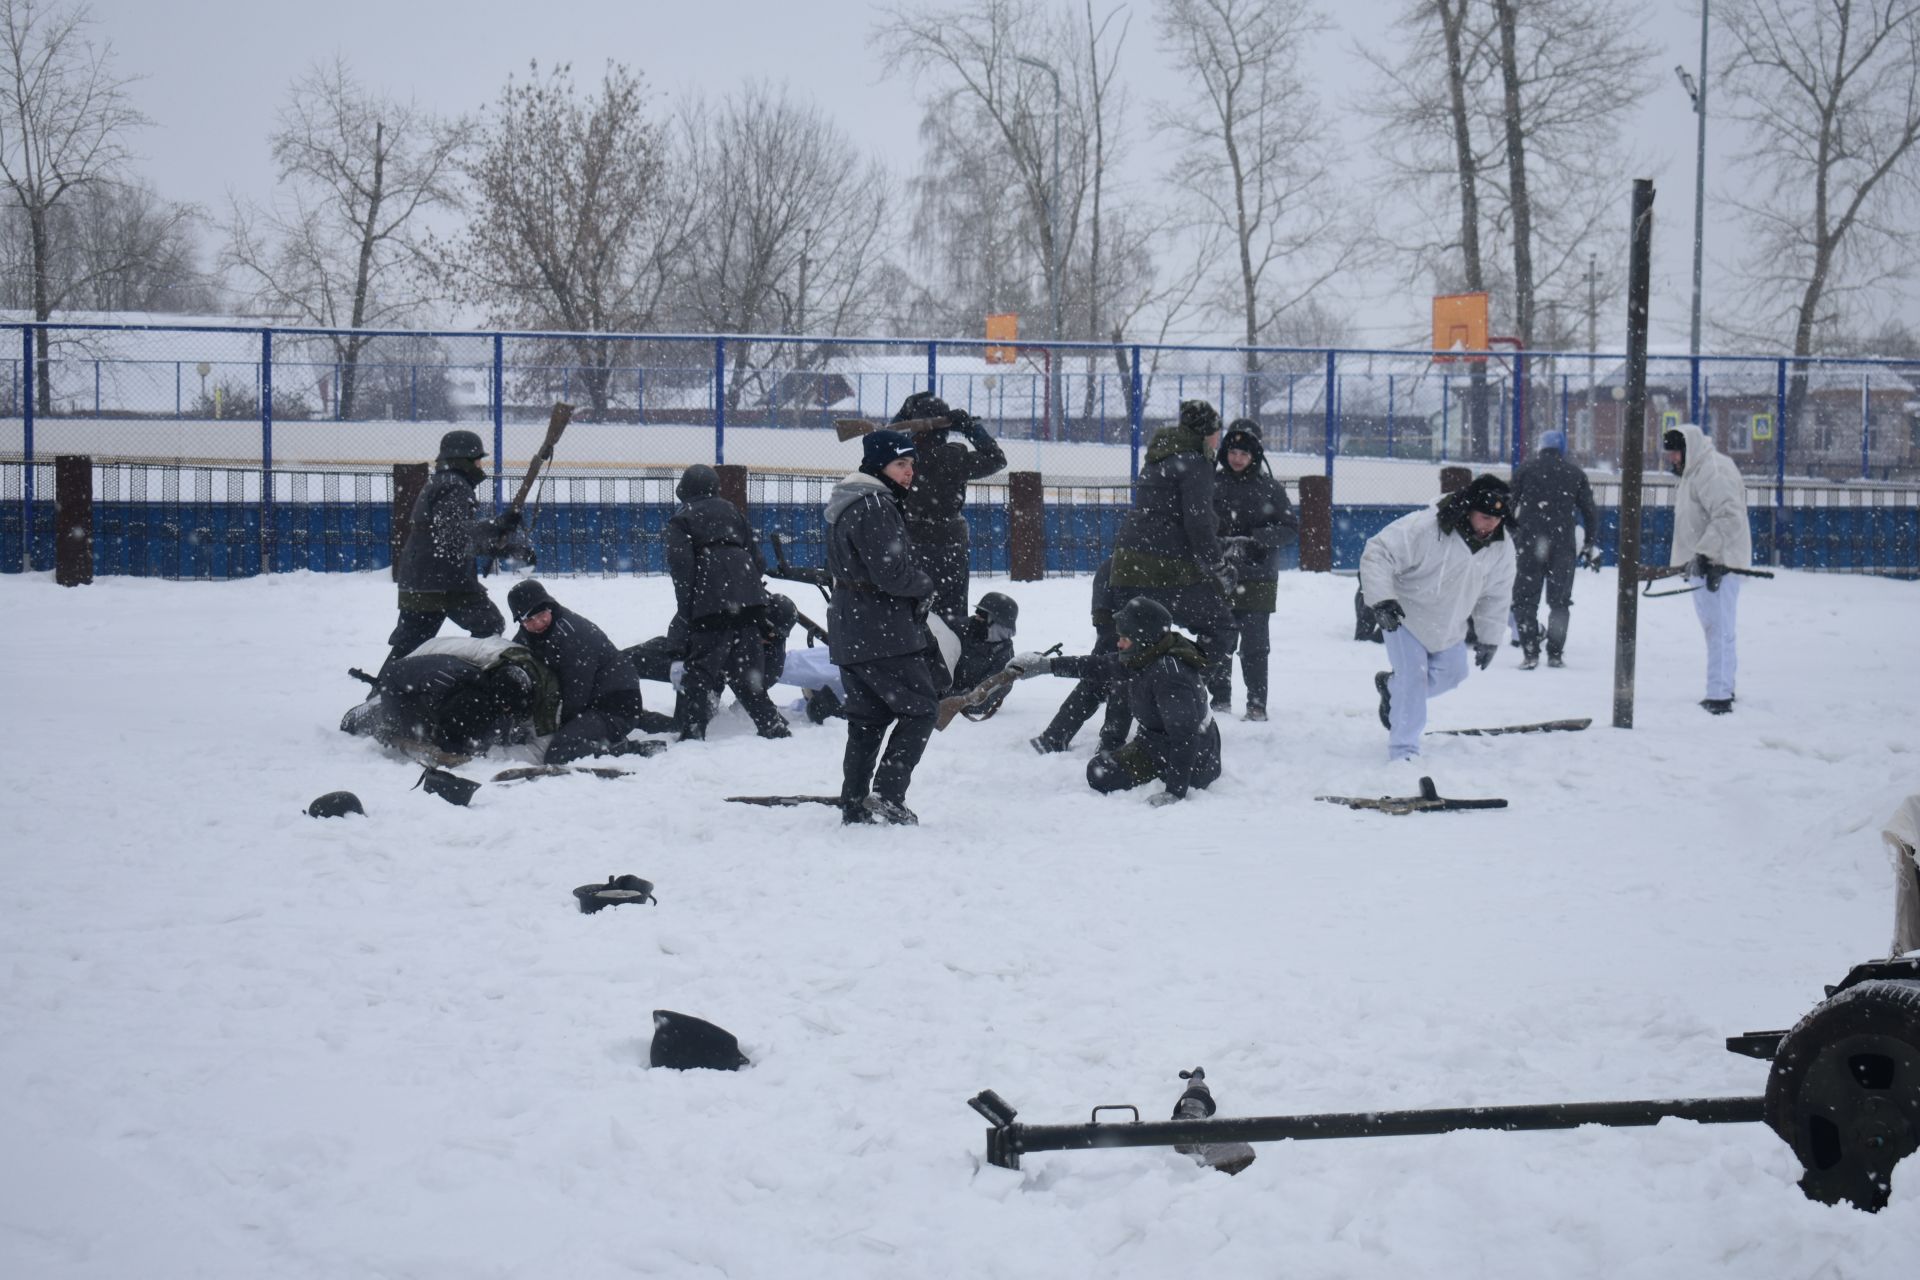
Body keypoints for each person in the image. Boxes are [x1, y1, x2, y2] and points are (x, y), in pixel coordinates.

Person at [826, 429, 940, 825]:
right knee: (922, 708)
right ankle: (888, 796)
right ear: (879, 466)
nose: (909, 473)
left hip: (852, 624)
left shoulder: (850, 503)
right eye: (900, 464)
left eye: (911, 465)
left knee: (867, 719)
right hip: (881, 627)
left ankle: (854, 803)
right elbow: (890, 574)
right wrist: (925, 583)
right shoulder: (875, 505)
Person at [1358, 473, 1515, 761]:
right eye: (1484, 516)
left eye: (1497, 518)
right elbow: (1378, 552)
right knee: (1414, 679)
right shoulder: (1425, 527)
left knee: (1454, 673)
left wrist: (1490, 638)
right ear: (1468, 509)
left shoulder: (1501, 548)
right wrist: (1382, 600)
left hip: (1449, 624)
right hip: (1404, 615)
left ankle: (1391, 689)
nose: (1491, 524)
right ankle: (1404, 749)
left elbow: (1496, 594)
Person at [1012, 596, 1220, 806]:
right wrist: (1047, 666)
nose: (1118, 643)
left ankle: (1169, 776)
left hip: (1193, 761)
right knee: (1101, 766)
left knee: (1100, 772)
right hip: (1158, 743)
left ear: (1143, 638)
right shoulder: (1145, 655)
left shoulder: (1169, 676)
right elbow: (1097, 665)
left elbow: (1185, 736)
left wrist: (1175, 792)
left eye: (1124, 638)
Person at [1108, 399, 1239, 667]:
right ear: (1207, 433)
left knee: (1137, 641)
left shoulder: (1160, 455)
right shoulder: (1195, 460)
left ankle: (1128, 697)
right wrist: (1219, 565)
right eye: (1217, 433)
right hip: (1164, 568)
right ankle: (1186, 686)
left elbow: (1169, 512)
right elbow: (1197, 523)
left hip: (1127, 563)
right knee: (1222, 626)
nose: (1218, 440)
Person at [664, 464, 790, 740]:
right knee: (748, 674)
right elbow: (759, 561)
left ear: (684, 489)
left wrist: (689, 610)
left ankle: (693, 734)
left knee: (700, 672)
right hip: (749, 605)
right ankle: (773, 727)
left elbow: (682, 570)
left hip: (711, 606)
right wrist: (746, 591)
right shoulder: (735, 513)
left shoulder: (681, 520)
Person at [384, 430, 517, 672]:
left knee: (411, 643)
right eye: (477, 459)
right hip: (445, 582)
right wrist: (497, 529)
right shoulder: (455, 485)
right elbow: (452, 537)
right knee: (489, 625)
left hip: (422, 580)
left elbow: (450, 533)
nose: (480, 464)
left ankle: (384, 693)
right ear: (464, 459)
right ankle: (468, 680)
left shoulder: (442, 482)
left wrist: (496, 532)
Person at [890, 390, 1008, 627]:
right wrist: (971, 428)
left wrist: (902, 416)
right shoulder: (953, 457)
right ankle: (948, 656)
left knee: (910, 610)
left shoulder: (902, 458)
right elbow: (997, 459)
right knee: (951, 615)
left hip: (910, 540)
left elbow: (881, 443)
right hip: (949, 543)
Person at [1209, 419, 1299, 719]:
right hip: (1218, 574)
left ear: (1255, 456)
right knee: (1218, 639)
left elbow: (1289, 527)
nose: (1238, 458)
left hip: (1258, 576)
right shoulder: (1211, 483)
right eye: (1233, 452)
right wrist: (1217, 543)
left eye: (1244, 454)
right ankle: (1219, 700)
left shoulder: (1269, 487)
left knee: (1255, 646)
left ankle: (1256, 704)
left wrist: (1259, 539)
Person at [507, 580, 654, 763]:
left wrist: (554, 729)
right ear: (521, 622)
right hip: (594, 704)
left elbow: (576, 697)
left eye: (541, 615)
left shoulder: (574, 636)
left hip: (613, 704)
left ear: (550, 607)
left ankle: (628, 749)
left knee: (558, 751)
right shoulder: (528, 635)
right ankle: (645, 720)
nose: (538, 623)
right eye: (529, 620)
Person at [342, 635, 559, 758]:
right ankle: (362, 714)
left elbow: (539, 749)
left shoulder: (530, 691)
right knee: (400, 724)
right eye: (506, 708)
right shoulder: (459, 672)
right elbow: (398, 673)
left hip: (447, 687)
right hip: (406, 681)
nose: (509, 713)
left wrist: (492, 751)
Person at [1663, 423, 1752, 714]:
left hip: (1718, 565)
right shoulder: (1695, 471)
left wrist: (1705, 553)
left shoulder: (1711, 471)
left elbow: (1728, 516)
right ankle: (1723, 687)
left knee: (1718, 629)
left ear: (1689, 448)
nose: (1672, 459)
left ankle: (1719, 695)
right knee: (1718, 628)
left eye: (1676, 452)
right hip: (1707, 564)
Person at [1508, 429, 1598, 669]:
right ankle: (1555, 654)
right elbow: (1590, 511)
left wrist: (1515, 532)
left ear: (1540, 447)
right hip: (1563, 545)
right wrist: (1589, 541)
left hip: (1529, 543)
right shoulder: (1574, 473)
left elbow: (1508, 505)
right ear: (1562, 449)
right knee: (1560, 602)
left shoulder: (1526, 470)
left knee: (1525, 599)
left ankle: (1529, 652)